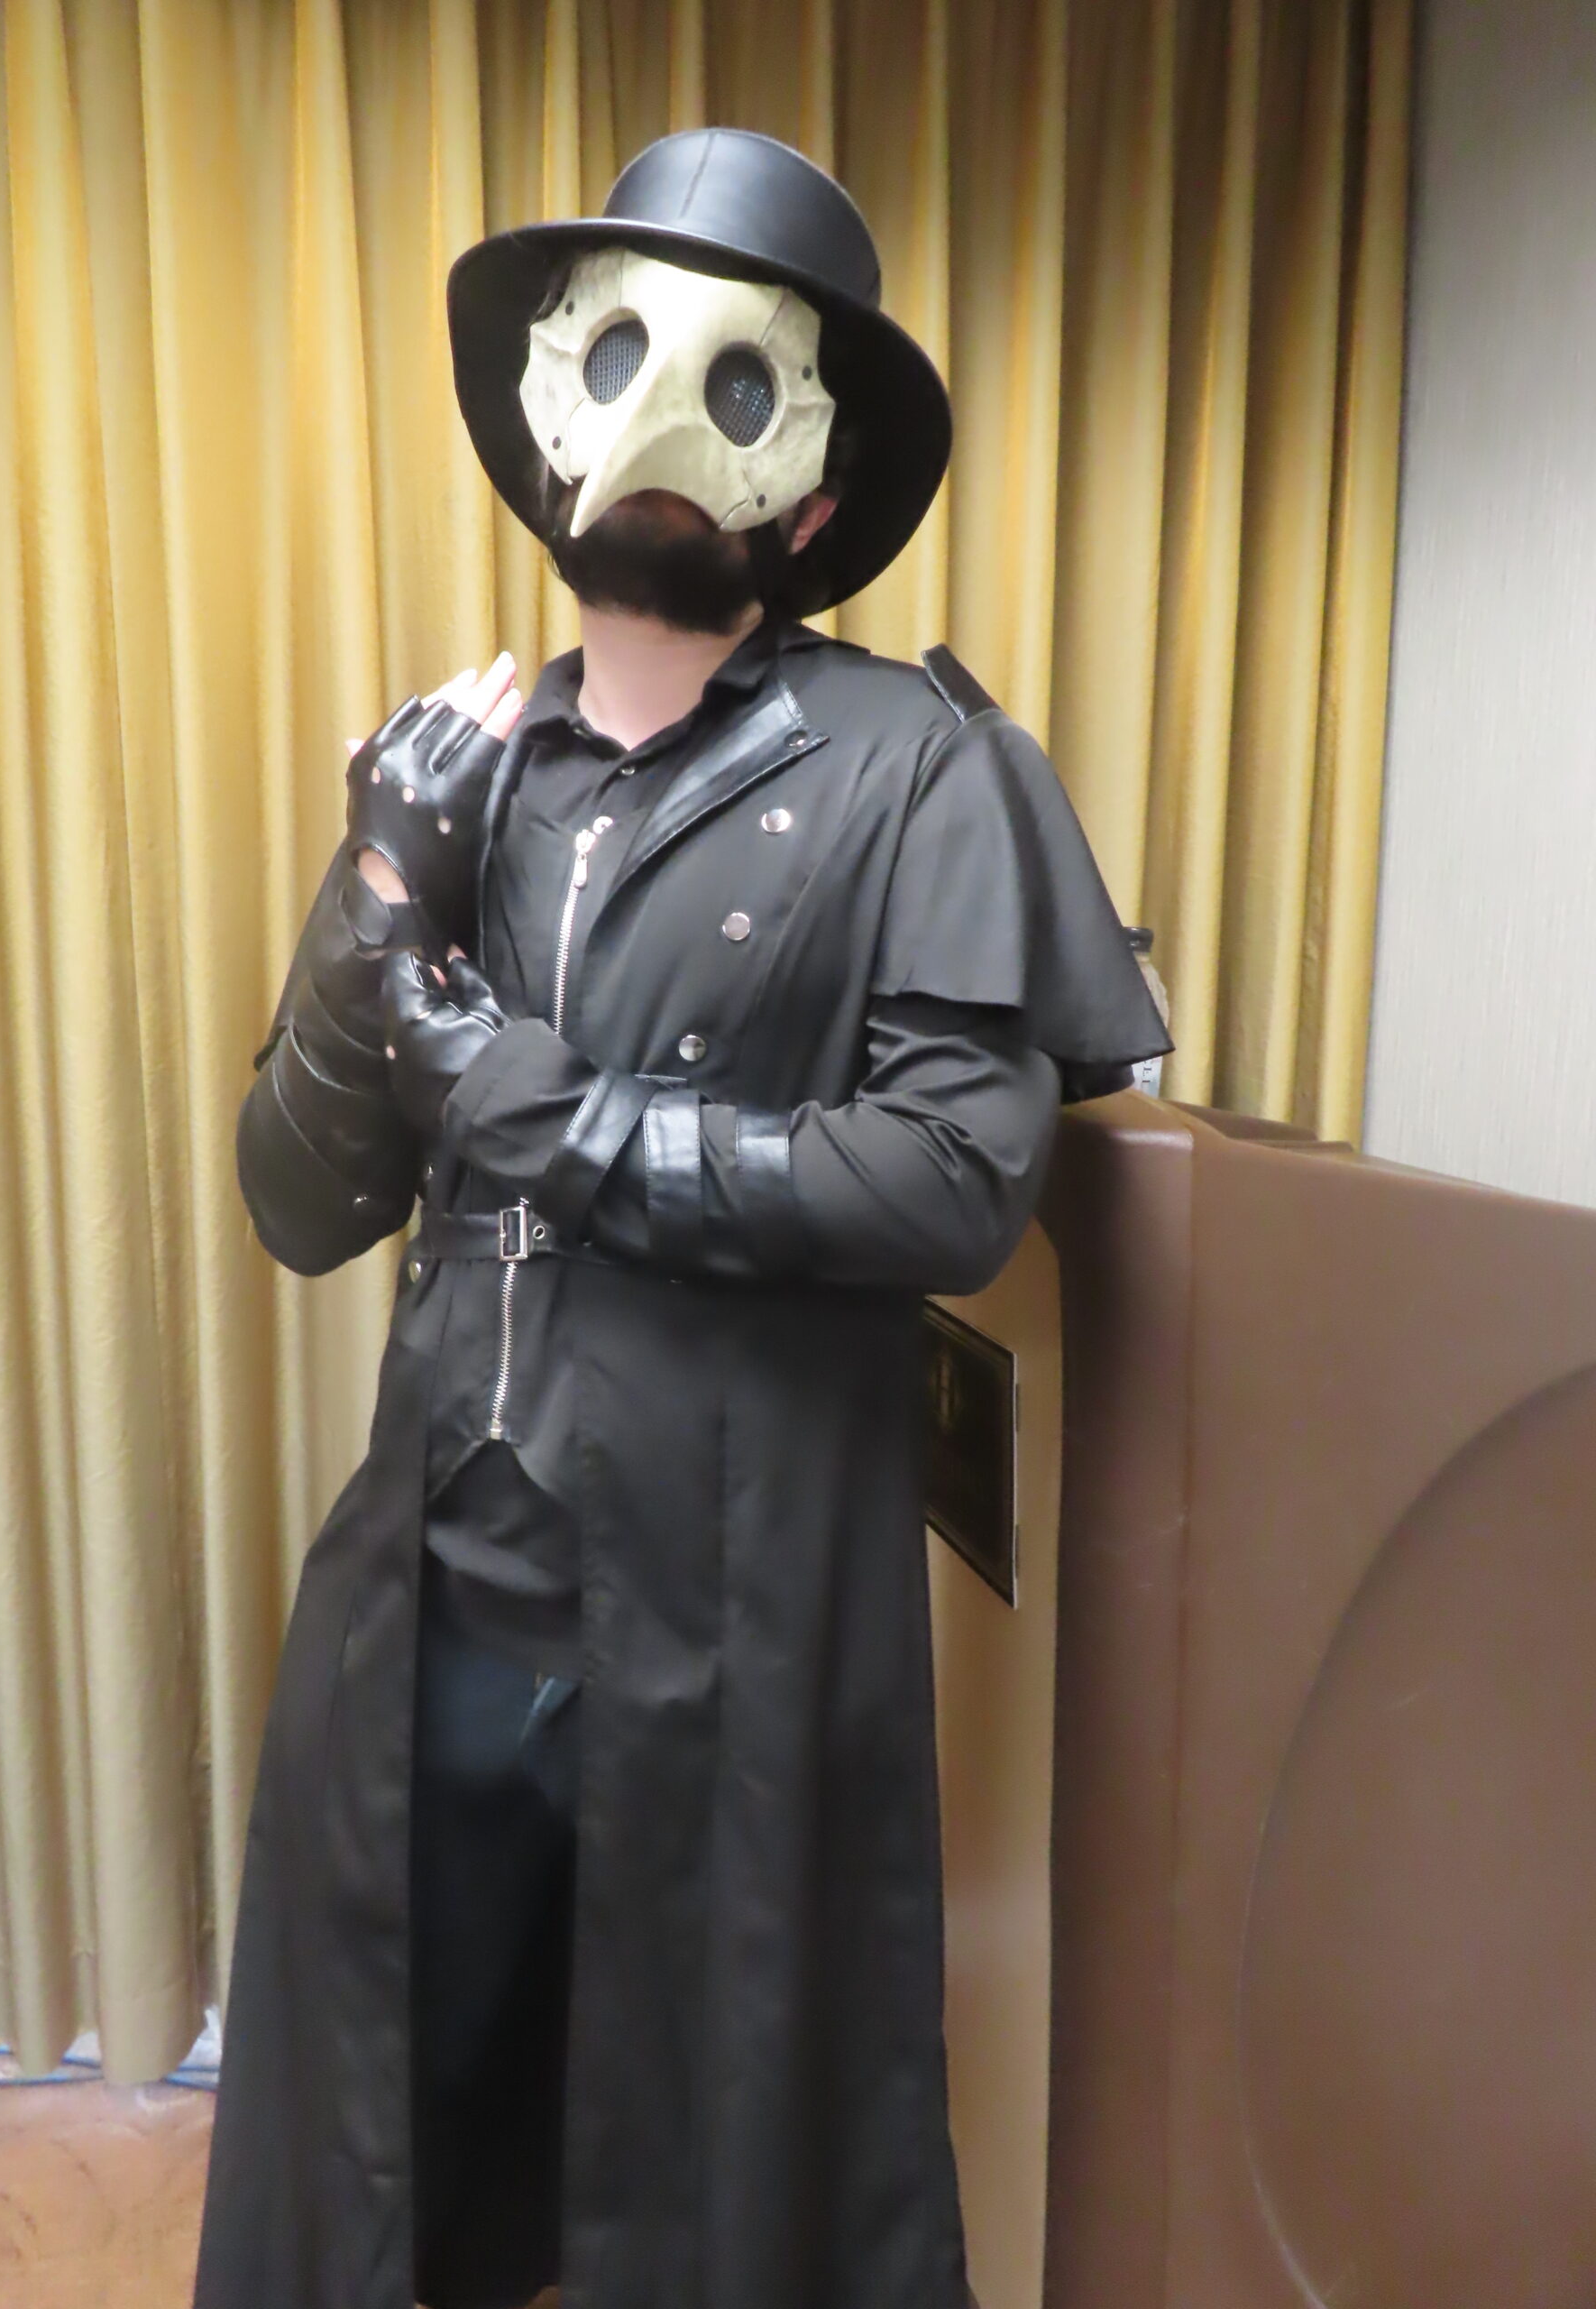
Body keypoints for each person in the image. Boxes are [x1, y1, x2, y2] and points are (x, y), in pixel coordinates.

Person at [190, 126, 1169, 2309]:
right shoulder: (458, 767)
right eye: (626, 357)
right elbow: (296, 1196)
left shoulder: (922, 767)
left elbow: (951, 1175)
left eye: (736, 383)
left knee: (722, 2158)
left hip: (739, 1612)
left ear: (811, 498)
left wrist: (545, 1111)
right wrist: (378, 886)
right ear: (550, 418)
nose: (665, 426)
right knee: (416, 2129)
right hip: (446, 1597)